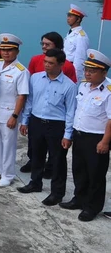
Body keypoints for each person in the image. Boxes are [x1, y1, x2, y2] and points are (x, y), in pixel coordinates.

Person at [18, 49, 77, 206]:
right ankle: (35, 183)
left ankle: (57, 193)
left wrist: (67, 134)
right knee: (36, 155)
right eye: (45, 62)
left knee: (58, 160)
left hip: (57, 125)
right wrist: (25, 121)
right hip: (37, 121)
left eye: (51, 63)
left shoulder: (69, 86)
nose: (47, 65)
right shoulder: (36, 78)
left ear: (61, 65)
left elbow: (71, 112)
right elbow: (29, 101)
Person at [59, 49, 111, 222]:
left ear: (104, 72)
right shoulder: (83, 85)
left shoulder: (109, 91)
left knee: (95, 174)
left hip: (97, 138)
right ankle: (79, 199)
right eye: (87, 69)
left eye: (92, 70)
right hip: (80, 134)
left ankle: (92, 207)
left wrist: (105, 141)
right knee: (79, 170)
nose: (87, 73)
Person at [21, 31, 77, 174]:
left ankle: (51, 170)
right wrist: (25, 120)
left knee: (56, 154)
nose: (44, 46)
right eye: (42, 44)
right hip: (37, 116)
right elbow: (31, 96)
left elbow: (70, 104)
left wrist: (68, 133)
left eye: (48, 44)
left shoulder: (69, 74)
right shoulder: (35, 66)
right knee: (35, 148)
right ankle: (34, 173)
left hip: (56, 119)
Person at [0, 33, 29, 187]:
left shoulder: (21, 71)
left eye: (10, 50)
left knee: (8, 145)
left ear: (17, 51)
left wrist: (15, 115)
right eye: (3, 49)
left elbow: (21, 96)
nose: (6, 53)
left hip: (9, 113)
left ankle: (8, 174)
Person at [64, 4, 90, 83]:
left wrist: (76, 77)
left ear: (78, 19)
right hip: (65, 66)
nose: (68, 18)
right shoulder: (70, 32)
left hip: (72, 69)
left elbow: (80, 59)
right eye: (68, 15)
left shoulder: (81, 36)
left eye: (71, 16)